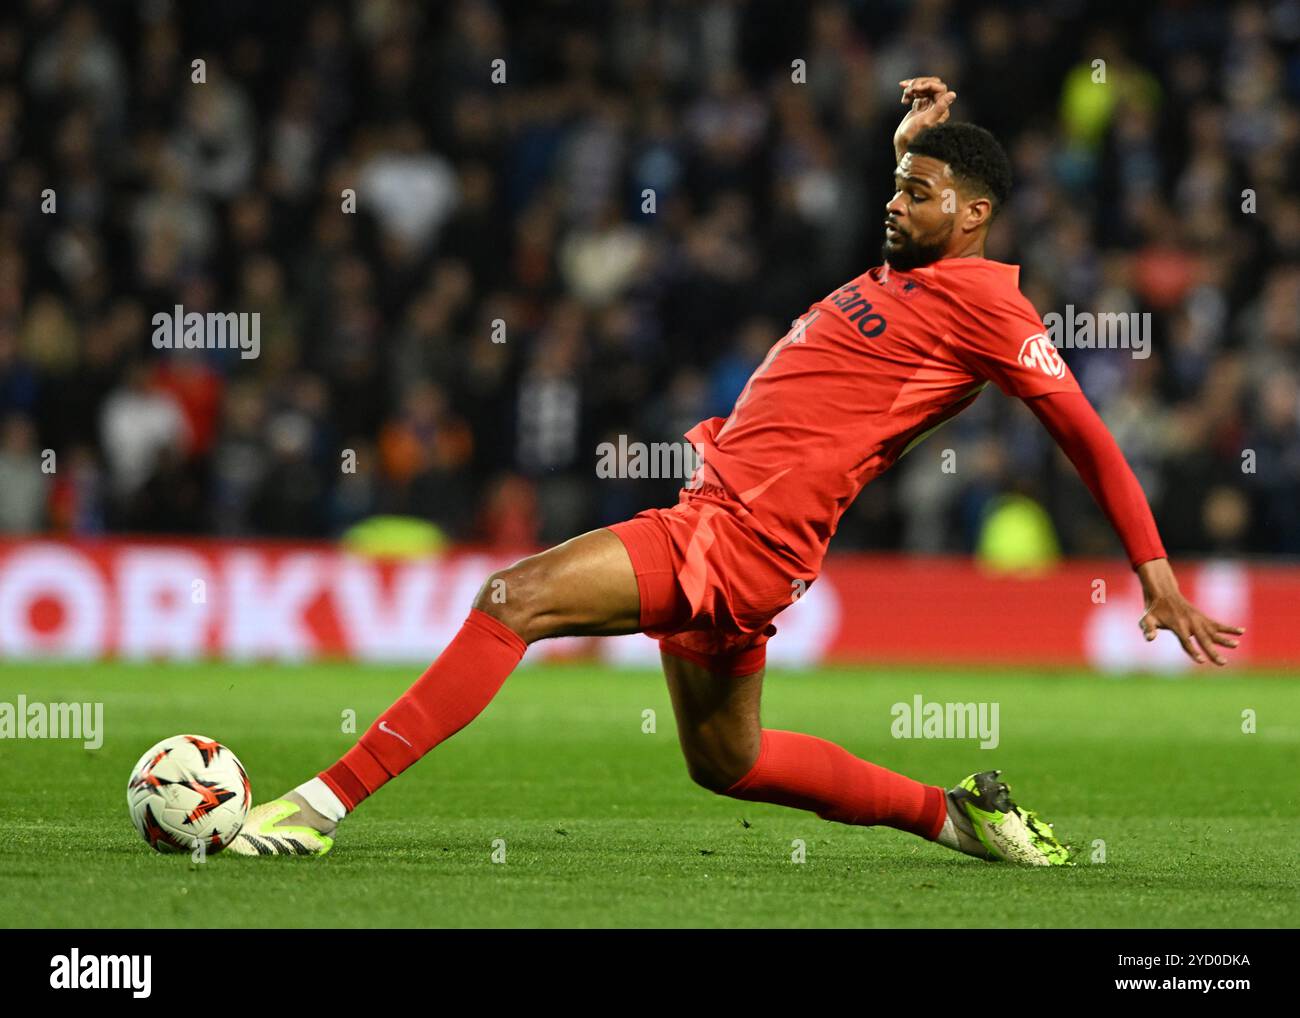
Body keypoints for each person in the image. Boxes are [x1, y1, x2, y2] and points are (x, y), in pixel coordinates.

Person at [230, 78, 1243, 865]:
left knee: (513, 596)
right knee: (730, 761)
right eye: (894, 185)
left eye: (918, 193)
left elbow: (1086, 434)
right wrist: (916, 140)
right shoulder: (915, 268)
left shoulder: (992, 309)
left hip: (741, 539)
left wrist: (1150, 567)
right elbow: (919, 192)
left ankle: (319, 807)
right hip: (728, 522)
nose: (894, 202)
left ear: (973, 215)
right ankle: (959, 819)